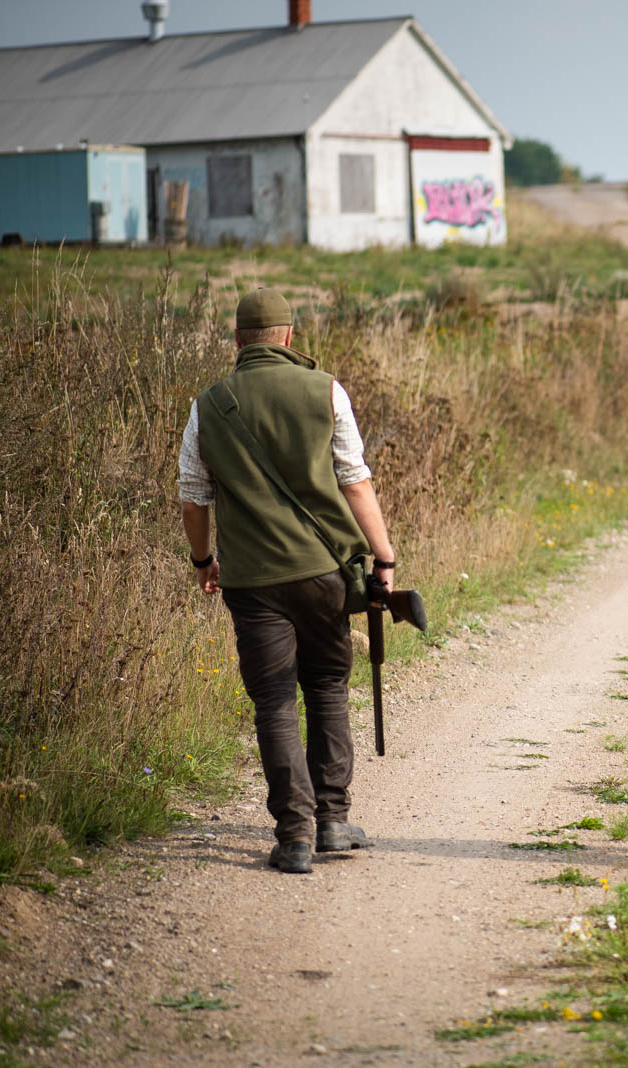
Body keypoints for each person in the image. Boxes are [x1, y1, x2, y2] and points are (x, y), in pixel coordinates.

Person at [178, 289, 398, 875]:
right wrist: (384, 556)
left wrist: (204, 561)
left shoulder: (209, 404)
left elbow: (193, 495)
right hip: (324, 573)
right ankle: (331, 820)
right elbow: (355, 480)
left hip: (251, 583)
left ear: (237, 341)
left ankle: (294, 837)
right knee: (326, 686)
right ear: (289, 337)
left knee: (274, 701)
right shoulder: (326, 390)